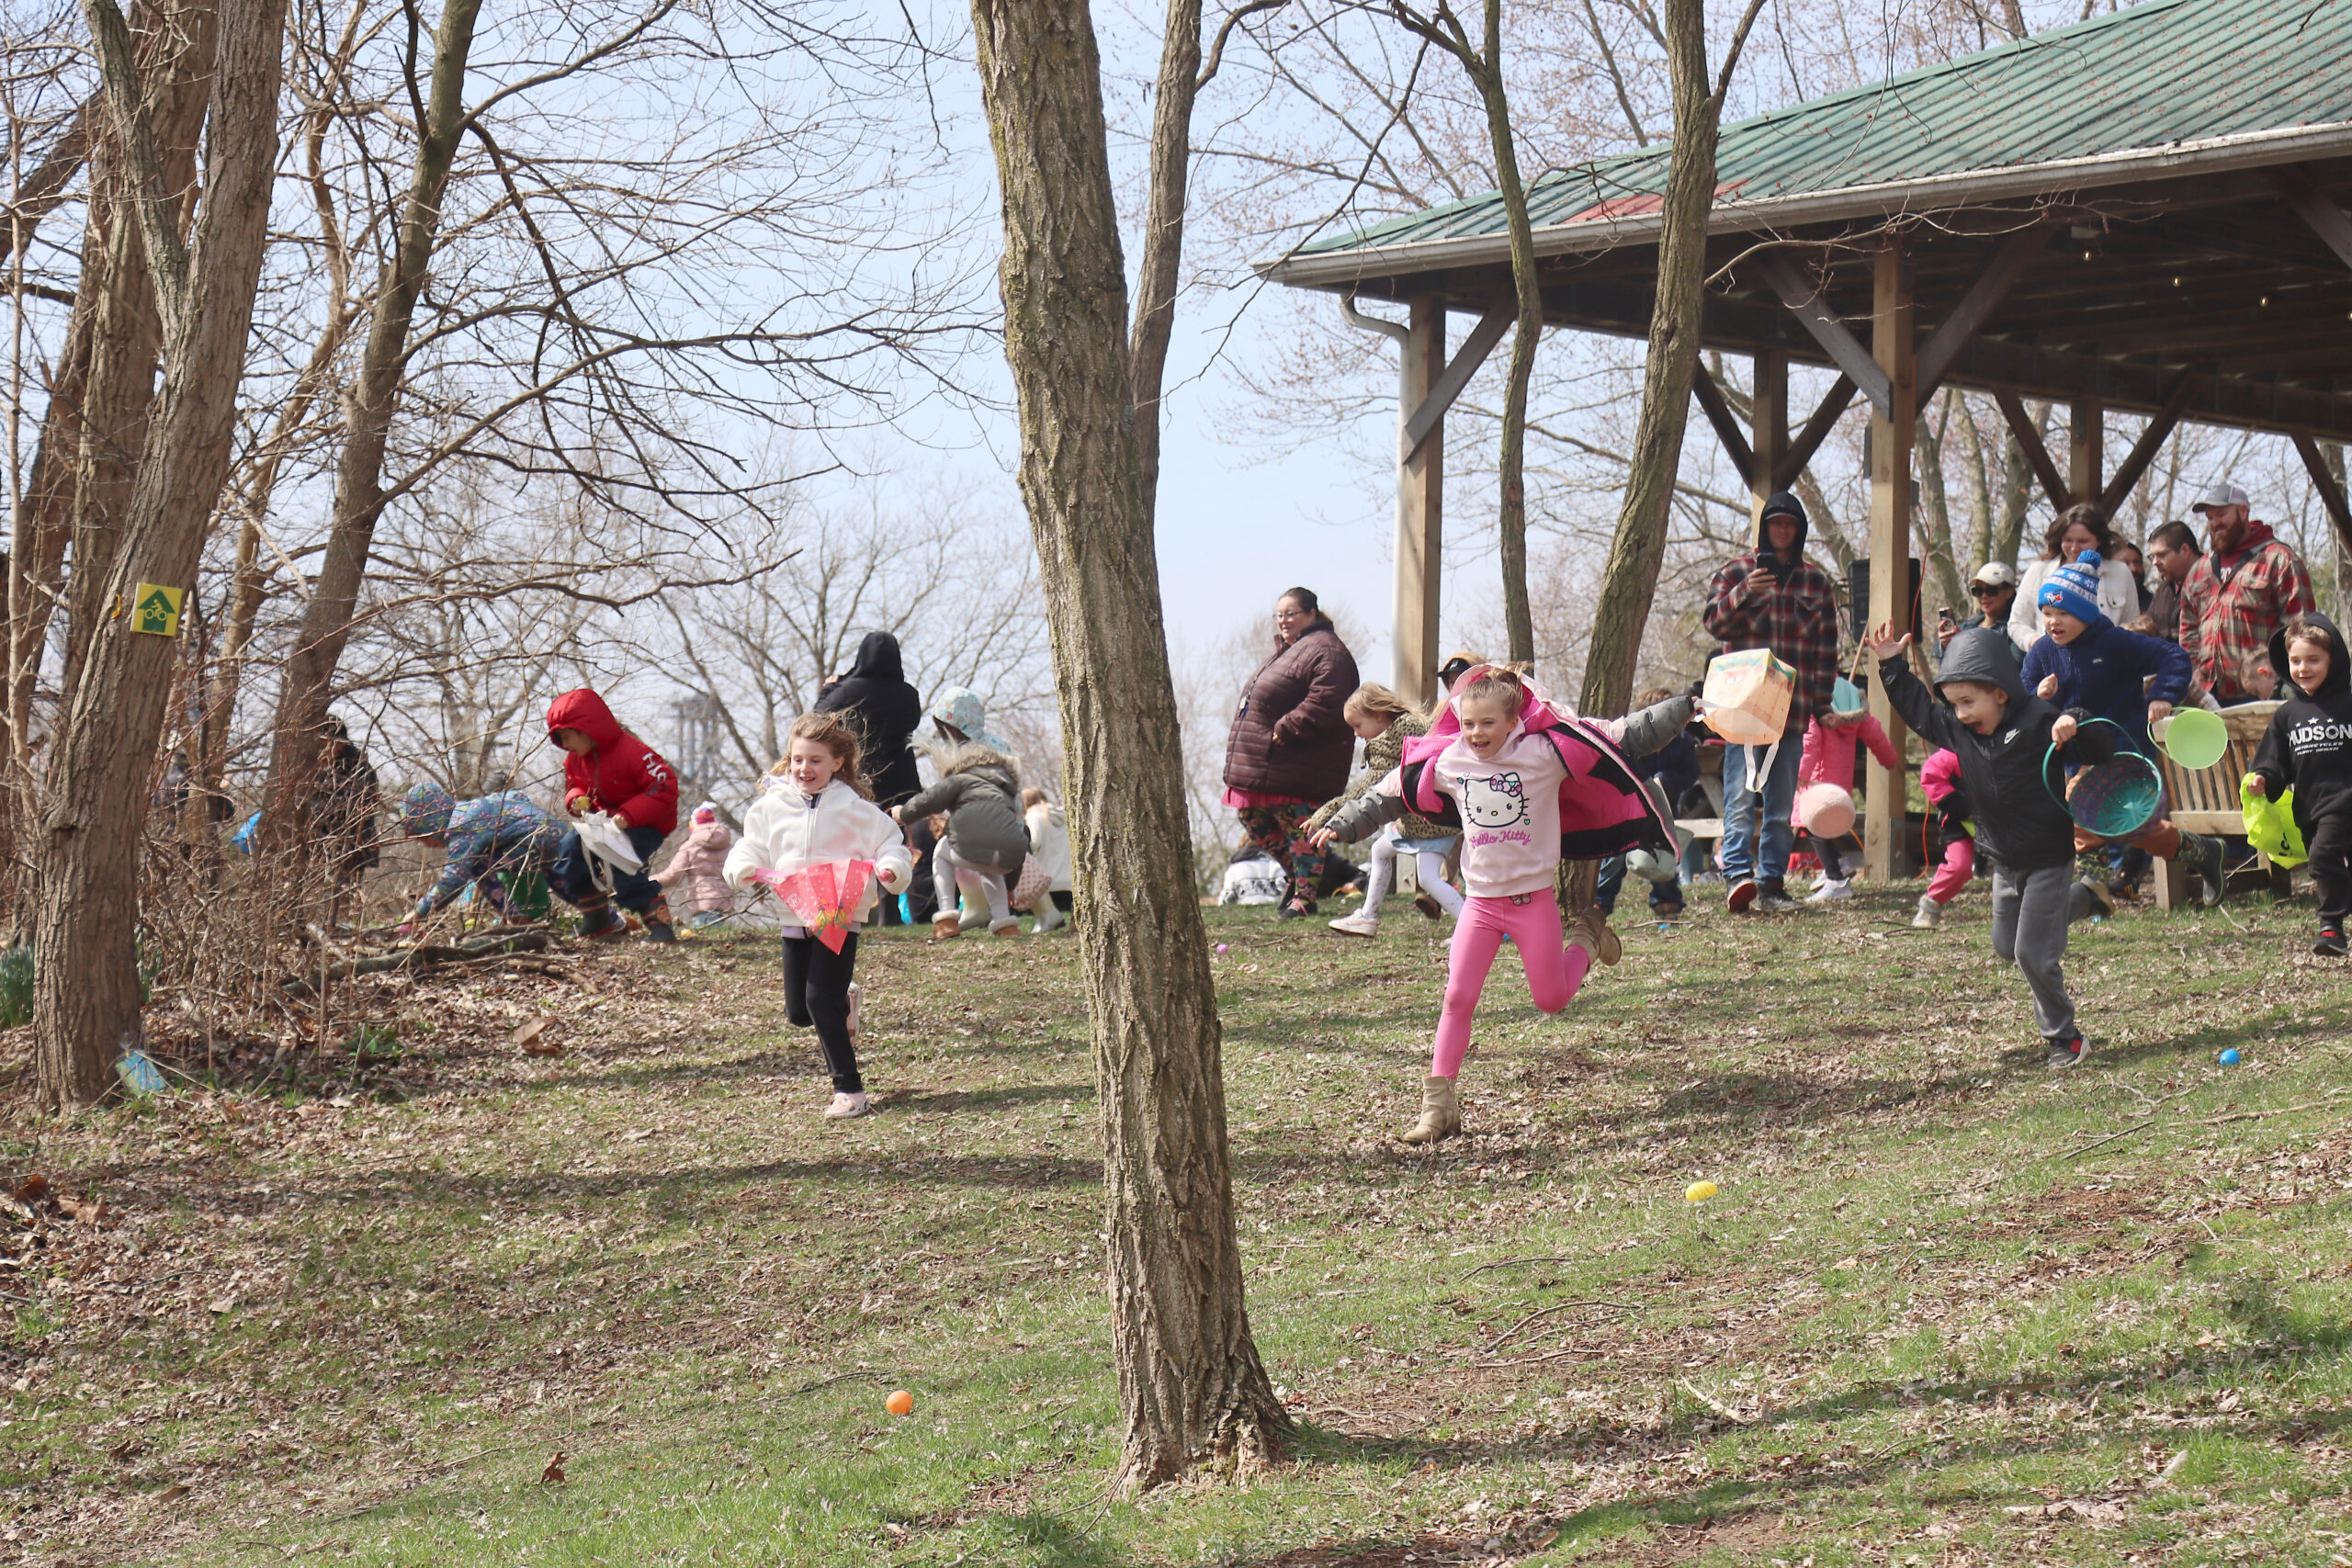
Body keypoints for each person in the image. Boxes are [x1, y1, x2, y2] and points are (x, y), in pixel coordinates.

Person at [1310, 666, 1681, 1143]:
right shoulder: (1449, 762)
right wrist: (1342, 824)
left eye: (1487, 723)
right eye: (1467, 723)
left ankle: (1587, 939)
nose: (1476, 733)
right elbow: (1389, 792)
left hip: (1533, 904)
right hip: (1481, 906)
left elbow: (1618, 735)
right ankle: (1438, 1108)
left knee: (1551, 1000)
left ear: (1512, 721)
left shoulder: (1546, 753)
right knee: (1456, 997)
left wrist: (1686, 708)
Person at [1871, 625, 2120, 1066]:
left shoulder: (2040, 721)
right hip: (2003, 860)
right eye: (1955, 704)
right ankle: (2086, 897)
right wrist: (1892, 664)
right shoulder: (1961, 730)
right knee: (2006, 946)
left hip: (2048, 856)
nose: (1961, 713)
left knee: (2031, 953)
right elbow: (1918, 711)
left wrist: (2074, 724)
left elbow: (2100, 747)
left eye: (1969, 702)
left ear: (2001, 693)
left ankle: (2066, 1037)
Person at [724, 714, 912, 1119]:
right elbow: (752, 846)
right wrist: (740, 866)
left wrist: (892, 869)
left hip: (839, 913)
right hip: (794, 912)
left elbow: (890, 845)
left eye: (815, 761)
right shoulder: (771, 807)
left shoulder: (857, 810)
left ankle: (851, 1091)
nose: (803, 769)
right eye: (797, 760)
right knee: (798, 1012)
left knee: (818, 1000)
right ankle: (845, 1000)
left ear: (837, 763)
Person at [2021, 551, 2225, 902]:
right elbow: (2021, 699)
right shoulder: (2042, 652)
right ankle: (2201, 851)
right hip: (2074, 753)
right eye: (2047, 613)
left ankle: (2093, 888)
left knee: (2084, 807)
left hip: (2124, 746)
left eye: (2063, 613)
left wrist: (2162, 695)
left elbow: (2173, 657)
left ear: (2085, 613)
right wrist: (2039, 696)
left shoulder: (2115, 642)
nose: (2053, 622)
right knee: (2128, 826)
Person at [1701, 490, 1841, 913]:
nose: (1782, 530)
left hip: (1792, 712)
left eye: (1789, 524)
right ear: (1764, 528)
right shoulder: (1736, 572)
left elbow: (1825, 650)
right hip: (1742, 709)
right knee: (1740, 798)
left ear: (1798, 531)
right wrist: (1745, 591)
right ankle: (1738, 878)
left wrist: (1822, 704)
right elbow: (1713, 623)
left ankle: (1772, 885)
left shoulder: (1816, 581)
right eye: (1775, 523)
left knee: (1781, 804)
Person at [1221, 587, 1360, 918]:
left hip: (1299, 763)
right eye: (1279, 614)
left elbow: (1328, 699)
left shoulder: (1328, 651)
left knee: (1300, 827)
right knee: (1252, 816)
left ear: (1312, 613)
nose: (1283, 620)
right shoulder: (1294, 650)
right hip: (1269, 762)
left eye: (1291, 613)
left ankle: (1305, 897)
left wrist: (1285, 729)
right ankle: (1301, 879)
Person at [1311, 684, 1460, 937]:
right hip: (1419, 819)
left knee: (1428, 879)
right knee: (1380, 850)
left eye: (1358, 726)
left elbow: (1369, 790)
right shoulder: (1406, 729)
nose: (1356, 734)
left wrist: (1328, 815)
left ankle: (1473, 927)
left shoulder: (1392, 742)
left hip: (1429, 823)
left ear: (1378, 715)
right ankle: (1367, 916)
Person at [2249, 615, 2352, 956]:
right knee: (2323, 857)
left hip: (2346, 800)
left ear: (2333, 660)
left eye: (2313, 660)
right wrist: (2263, 777)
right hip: (2310, 805)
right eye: (2295, 660)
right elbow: (2274, 759)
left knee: (2322, 858)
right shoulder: (2287, 714)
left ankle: (2331, 928)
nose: (2303, 668)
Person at [545, 689, 682, 942]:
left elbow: (664, 787)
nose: (565, 745)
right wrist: (575, 799)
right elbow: (574, 785)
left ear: (586, 729)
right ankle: (596, 918)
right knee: (570, 851)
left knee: (621, 866)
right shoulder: (574, 760)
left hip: (646, 823)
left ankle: (659, 925)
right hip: (603, 824)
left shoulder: (634, 752)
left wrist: (629, 814)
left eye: (567, 737)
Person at [2180, 483, 2316, 705]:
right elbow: (2188, 629)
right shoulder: (2200, 569)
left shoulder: (2279, 559)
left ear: (2243, 511)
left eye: (2222, 514)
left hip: (2261, 693)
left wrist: (2279, 678)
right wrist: (2194, 670)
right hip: (2207, 696)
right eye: (2210, 517)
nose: (2215, 523)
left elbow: (2301, 628)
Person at [895, 741, 1025, 938]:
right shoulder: (1006, 789)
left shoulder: (963, 778)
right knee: (991, 870)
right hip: (1011, 856)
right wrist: (1010, 887)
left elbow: (930, 800)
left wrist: (903, 814)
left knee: (941, 851)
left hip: (971, 845)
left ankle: (947, 918)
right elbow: (1011, 836)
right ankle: (1004, 924)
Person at [395, 783, 565, 932]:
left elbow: (453, 879)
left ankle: (518, 919)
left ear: (432, 823)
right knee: (560, 878)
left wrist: (419, 911)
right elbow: (517, 798)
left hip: (533, 841)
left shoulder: (460, 828)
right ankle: (590, 912)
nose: (425, 844)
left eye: (422, 837)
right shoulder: (469, 810)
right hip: (554, 833)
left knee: (476, 866)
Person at [1596, 686, 1699, 922]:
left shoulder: (1683, 742)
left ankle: (1667, 905)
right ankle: (1600, 903)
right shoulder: (1632, 741)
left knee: (1662, 854)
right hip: (1630, 809)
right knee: (1616, 853)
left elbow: (1690, 772)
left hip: (1666, 809)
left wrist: (1666, 782)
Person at [1793, 691, 1902, 902]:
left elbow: (1810, 742)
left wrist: (1800, 776)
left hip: (1815, 778)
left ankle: (1837, 880)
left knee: (1812, 825)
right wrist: (1889, 759)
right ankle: (1837, 863)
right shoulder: (1851, 698)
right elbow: (1874, 732)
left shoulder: (1813, 699)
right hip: (1839, 780)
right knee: (1823, 827)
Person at [2008, 505, 2141, 654]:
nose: (2074, 548)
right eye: (2068, 540)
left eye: (2083, 541)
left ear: (2100, 540)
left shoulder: (2121, 573)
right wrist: (2036, 643)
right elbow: (2016, 623)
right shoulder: (2038, 571)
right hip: (2051, 665)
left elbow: (2133, 627)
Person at [1912, 748, 1976, 928]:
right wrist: (1960, 807)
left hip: (1999, 821)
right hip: (1959, 821)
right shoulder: (1951, 753)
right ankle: (1931, 903)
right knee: (1959, 867)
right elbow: (1932, 777)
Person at [653, 802, 735, 928]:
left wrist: (646, 882)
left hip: (703, 906)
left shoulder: (690, 847)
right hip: (726, 905)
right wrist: (760, 889)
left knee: (707, 940)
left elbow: (673, 876)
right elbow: (745, 870)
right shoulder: (729, 847)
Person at [1022, 787, 1073, 932]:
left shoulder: (1034, 815)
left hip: (1048, 882)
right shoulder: (1063, 814)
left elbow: (1034, 843)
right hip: (1068, 881)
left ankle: (1046, 919)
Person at [1940, 562, 2019, 655]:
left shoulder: (2016, 631)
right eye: (1978, 591)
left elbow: (2014, 665)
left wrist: (1967, 647)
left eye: (1992, 590)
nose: (1984, 596)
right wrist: (1945, 646)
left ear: (2009, 592)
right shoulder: (1966, 627)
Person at [2145, 521, 2202, 644]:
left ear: (2185, 550)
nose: (2155, 562)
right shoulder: (2163, 591)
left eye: (2161, 555)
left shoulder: (2213, 584)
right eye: (2152, 556)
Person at [2113, 542, 2154, 615]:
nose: (2134, 569)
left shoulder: (2154, 604)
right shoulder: (2099, 598)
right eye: (2125, 563)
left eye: (2137, 562)